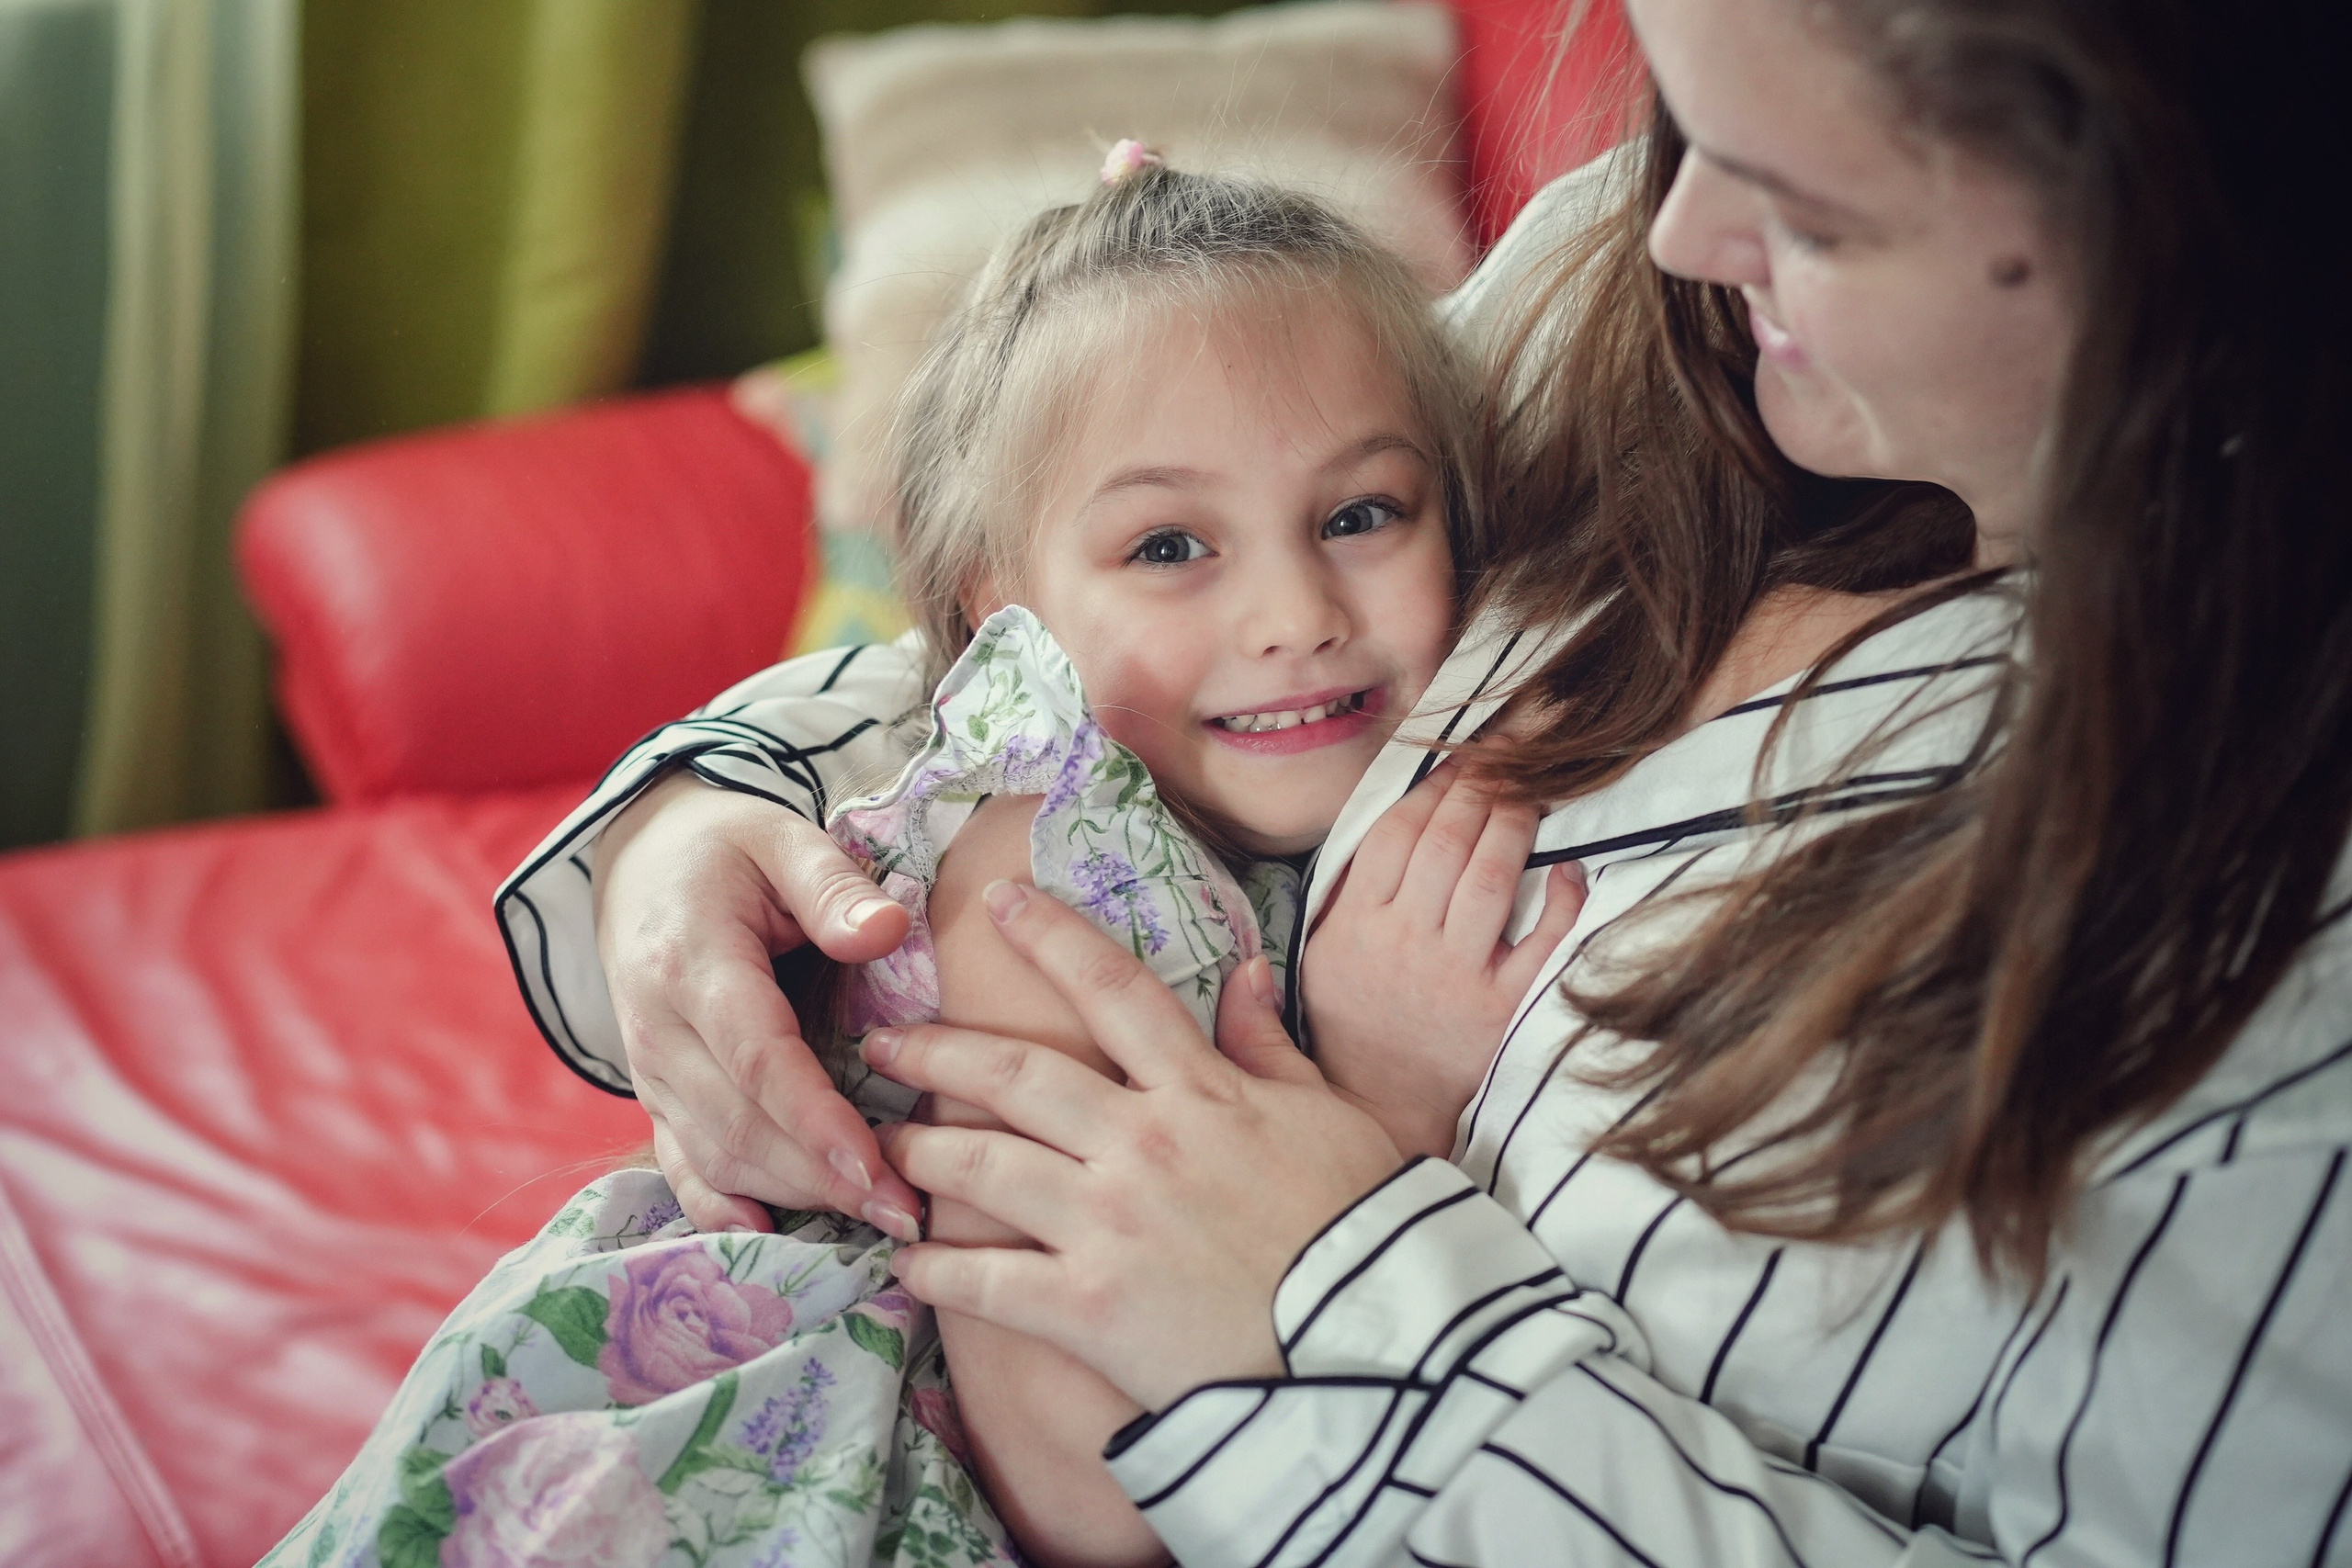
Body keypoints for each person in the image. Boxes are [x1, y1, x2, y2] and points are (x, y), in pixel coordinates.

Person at [521, 0, 2352, 1562]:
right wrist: (699, 827)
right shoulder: (1625, 284)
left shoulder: (2282, 1021)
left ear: (2195, 209)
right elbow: (1113, 602)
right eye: (1671, 124)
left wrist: (1342, 1269)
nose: (1678, 230)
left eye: (1816, 205)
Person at [272, 156, 1577, 1568]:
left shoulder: (1304, 816)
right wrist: (1387, 1111)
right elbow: (1084, 1492)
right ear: (1007, 615)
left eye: (1359, 514)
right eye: (1168, 544)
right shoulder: (1052, 871)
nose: (1294, 611)